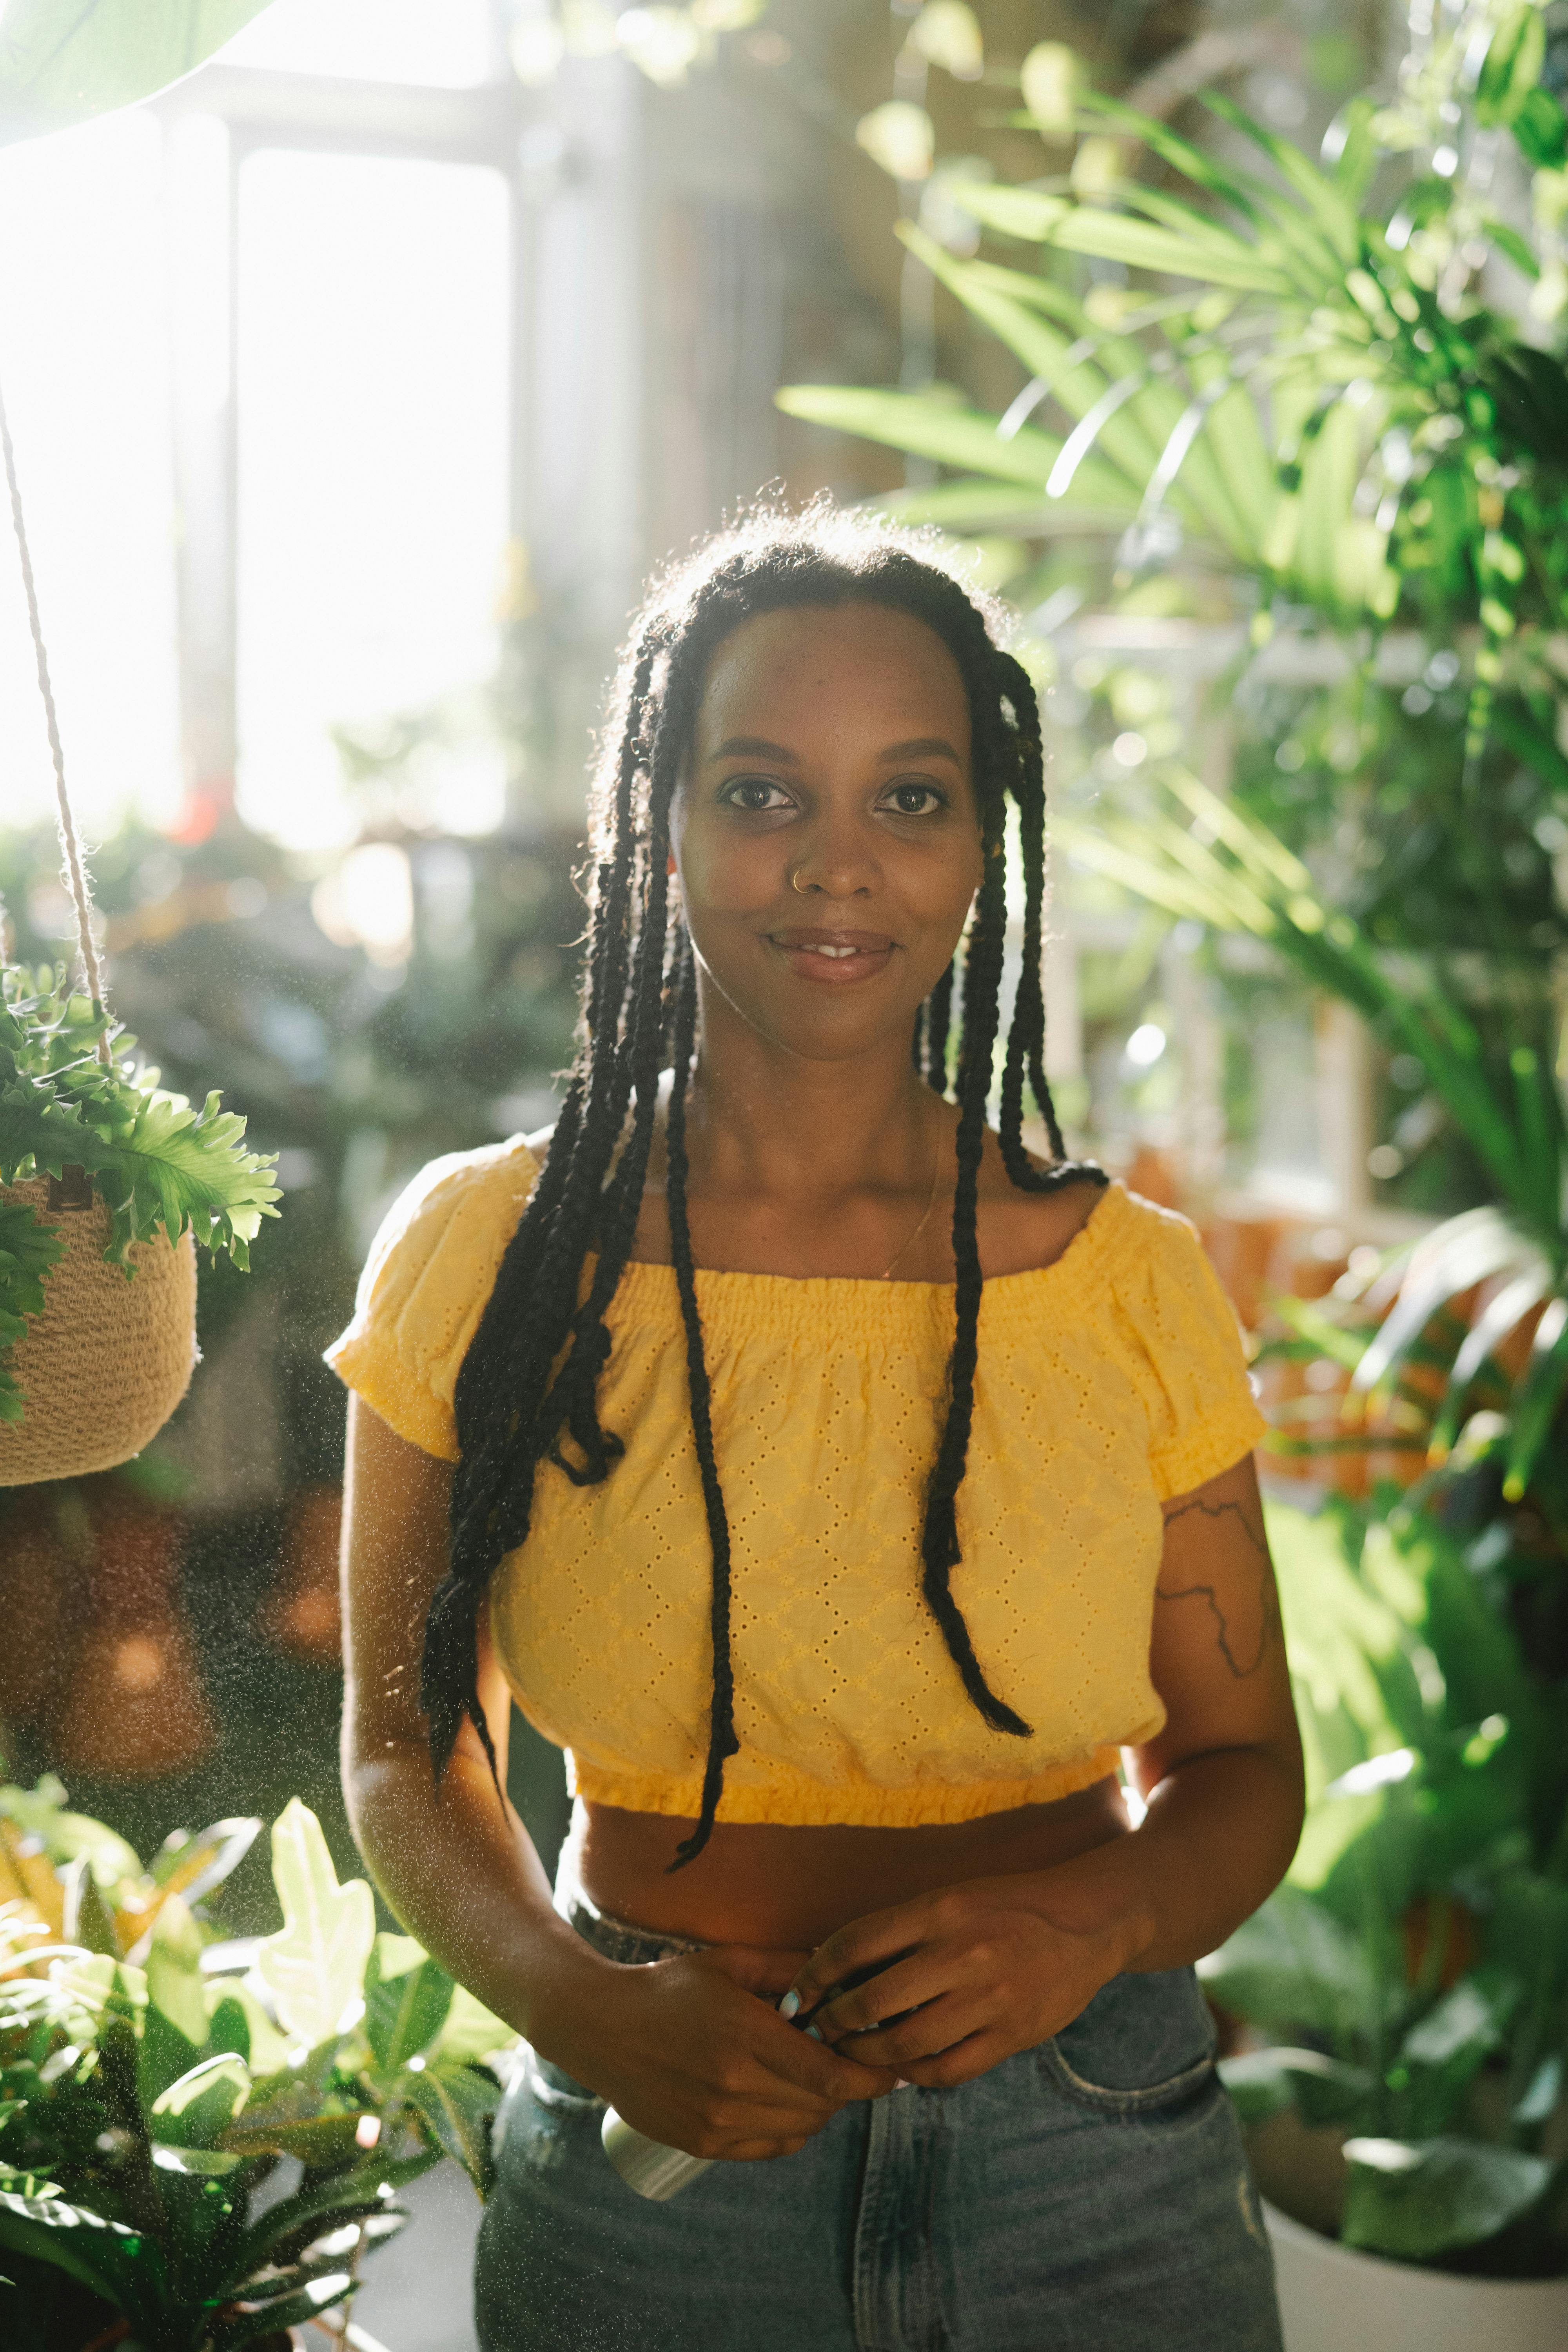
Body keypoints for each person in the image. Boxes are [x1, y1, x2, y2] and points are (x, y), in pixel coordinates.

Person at [328, 506, 1303, 2352]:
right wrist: (571, 2000)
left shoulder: (1122, 1282)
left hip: (1094, 2156)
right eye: (764, 794)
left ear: (981, 842)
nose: (835, 868)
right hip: (660, 2167)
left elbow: (1245, 1769)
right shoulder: (494, 1256)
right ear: (663, 825)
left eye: (911, 798)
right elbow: (401, 1743)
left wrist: (1087, 1932)